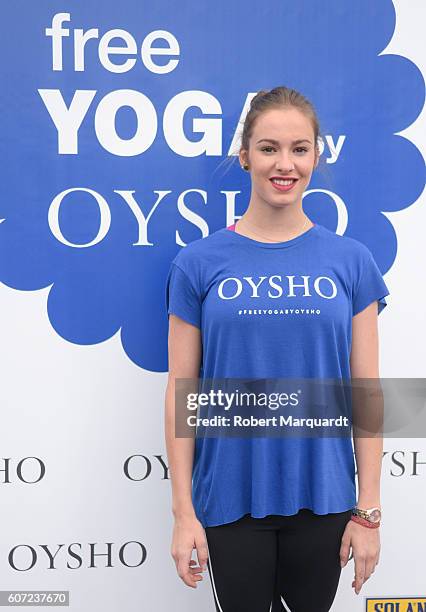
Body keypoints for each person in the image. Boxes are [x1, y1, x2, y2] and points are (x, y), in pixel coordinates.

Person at [164, 86, 389, 612]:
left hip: (326, 496)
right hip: (229, 497)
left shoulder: (351, 262)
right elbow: (182, 391)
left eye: (299, 149)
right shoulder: (197, 264)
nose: (284, 164)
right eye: (268, 148)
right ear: (245, 156)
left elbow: (368, 392)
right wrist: (182, 513)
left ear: (316, 156)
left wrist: (369, 511)